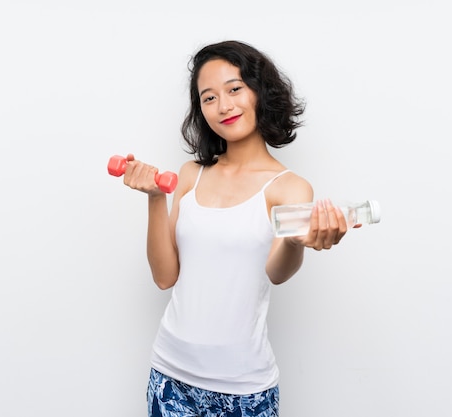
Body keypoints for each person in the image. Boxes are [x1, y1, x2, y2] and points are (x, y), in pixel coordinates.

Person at [120, 40, 354, 417]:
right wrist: (154, 198)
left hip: (245, 389)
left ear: (259, 92)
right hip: (170, 375)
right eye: (208, 98)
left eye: (234, 89)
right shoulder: (190, 175)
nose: (223, 106)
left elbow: (278, 272)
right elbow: (165, 277)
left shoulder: (289, 187)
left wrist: (296, 241)